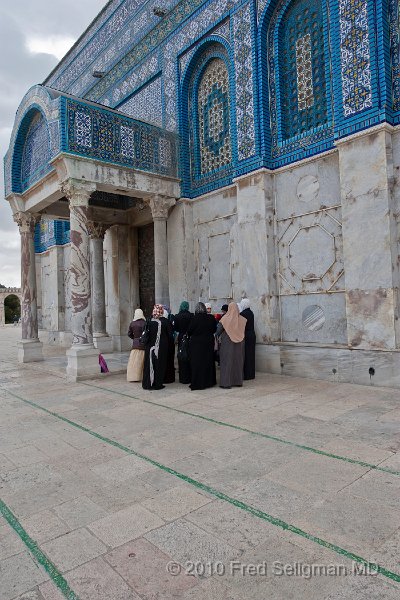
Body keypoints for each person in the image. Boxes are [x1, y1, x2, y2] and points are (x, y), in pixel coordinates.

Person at [187, 302, 217, 390]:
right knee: (208, 361)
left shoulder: (194, 318)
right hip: (208, 342)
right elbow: (214, 329)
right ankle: (209, 381)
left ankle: (198, 383)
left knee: (197, 363)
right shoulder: (211, 318)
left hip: (197, 344)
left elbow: (189, 331)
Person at [218, 302, 246, 389]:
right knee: (238, 362)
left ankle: (226, 383)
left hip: (227, 343)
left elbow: (218, 331)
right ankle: (238, 381)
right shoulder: (242, 319)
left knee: (227, 361)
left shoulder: (224, 319)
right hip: (240, 343)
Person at [142, 304, 169, 390]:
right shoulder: (163, 322)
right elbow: (169, 335)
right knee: (158, 366)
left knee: (148, 366)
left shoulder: (148, 321)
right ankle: (157, 384)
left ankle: (147, 384)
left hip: (149, 348)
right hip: (159, 349)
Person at [173, 301, 193, 384]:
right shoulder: (191, 315)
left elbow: (176, 328)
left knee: (181, 355)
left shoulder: (177, 316)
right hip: (189, 338)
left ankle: (182, 377)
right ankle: (189, 376)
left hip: (181, 337)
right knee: (189, 355)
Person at [127, 308, 146, 382]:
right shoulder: (144, 323)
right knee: (141, 362)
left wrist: (135, 338)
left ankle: (133, 377)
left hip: (135, 345)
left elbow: (129, 334)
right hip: (142, 345)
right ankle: (141, 376)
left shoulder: (132, 323)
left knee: (134, 362)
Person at [239, 298, 256, 380]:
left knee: (246, 355)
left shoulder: (243, 314)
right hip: (252, 334)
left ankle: (247, 374)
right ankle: (251, 374)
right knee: (251, 355)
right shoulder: (251, 312)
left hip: (246, 335)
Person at [163, 308, 176, 384]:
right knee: (170, 362)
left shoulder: (159, 322)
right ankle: (170, 378)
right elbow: (171, 334)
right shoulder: (168, 322)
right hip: (169, 344)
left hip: (162, 345)